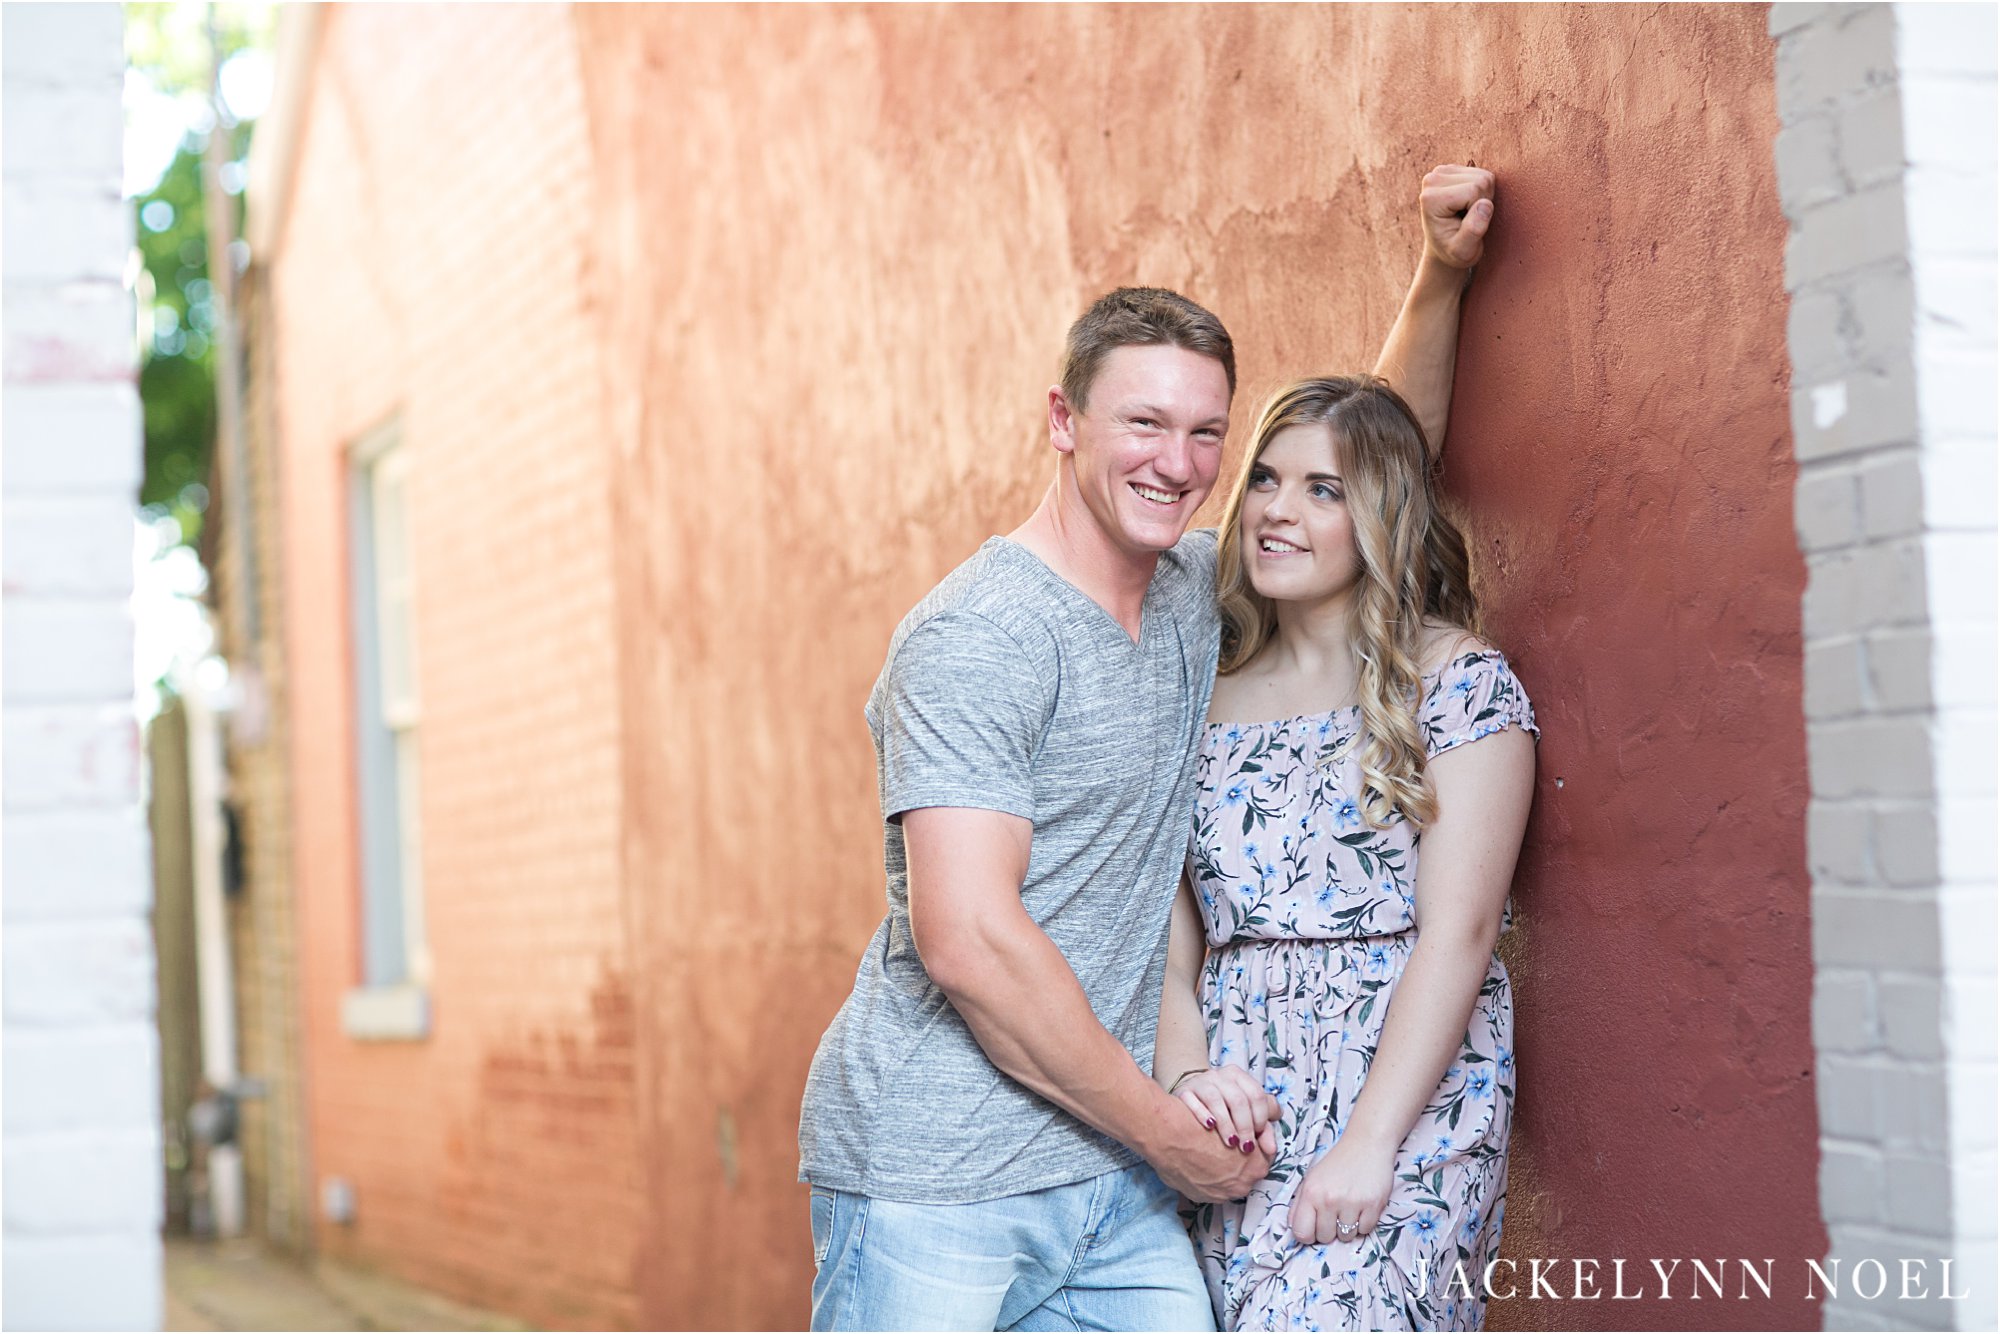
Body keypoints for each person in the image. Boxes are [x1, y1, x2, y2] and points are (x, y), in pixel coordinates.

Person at [798, 165, 1500, 1332]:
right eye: (1140, 423)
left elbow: (1363, 466)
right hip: (941, 1174)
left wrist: (1440, 274)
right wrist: (1168, 1128)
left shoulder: (1190, 591)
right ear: (1063, 419)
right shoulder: (981, 636)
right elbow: (966, 937)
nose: (1175, 463)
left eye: (1204, 433)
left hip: (1110, 1188)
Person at [1156, 376, 1537, 1331]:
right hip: (1244, 1102)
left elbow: (1462, 934)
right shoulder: (1199, 695)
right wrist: (1187, 1083)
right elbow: (1171, 947)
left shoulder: (1458, 681)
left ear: (1384, 513)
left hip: (1406, 1098)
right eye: (1267, 481)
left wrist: (1371, 1142)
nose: (1279, 512)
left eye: (1324, 489)